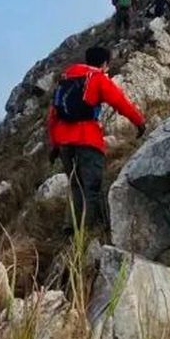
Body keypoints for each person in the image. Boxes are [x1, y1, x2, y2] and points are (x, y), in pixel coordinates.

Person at [47, 44, 145, 231]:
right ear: (105, 63)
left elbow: (53, 114)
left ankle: (70, 227)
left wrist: (55, 145)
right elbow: (120, 101)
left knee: (75, 185)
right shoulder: (97, 78)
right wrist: (139, 122)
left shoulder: (67, 77)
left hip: (64, 144)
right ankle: (88, 230)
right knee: (92, 187)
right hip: (87, 140)